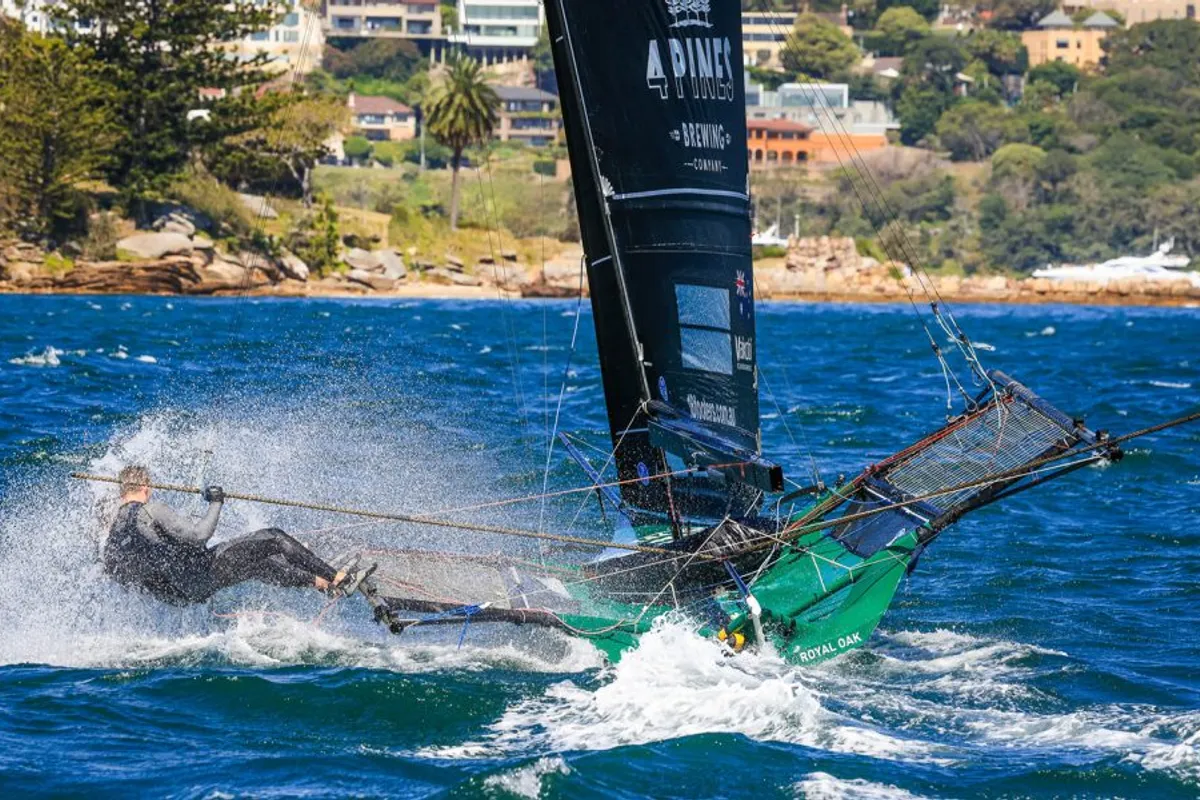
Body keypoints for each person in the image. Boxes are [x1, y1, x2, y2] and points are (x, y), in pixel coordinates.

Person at [103, 465, 360, 606]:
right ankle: (337, 577)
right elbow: (200, 535)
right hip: (205, 571)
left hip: (184, 593)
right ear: (146, 487)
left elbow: (121, 574)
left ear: (121, 491)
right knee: (274, 538)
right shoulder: (151, 510)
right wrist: (216, 502)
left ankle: (320, 583)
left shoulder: (115, 531)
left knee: (258, 567)